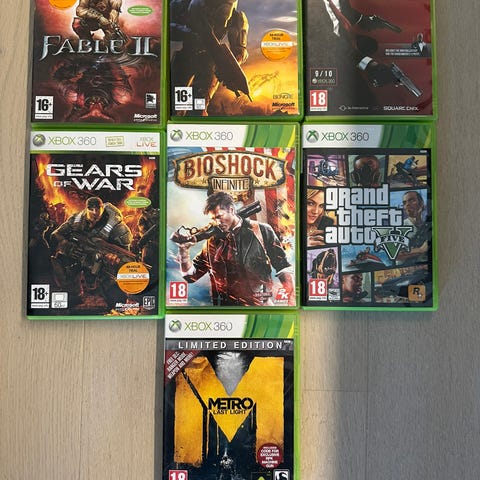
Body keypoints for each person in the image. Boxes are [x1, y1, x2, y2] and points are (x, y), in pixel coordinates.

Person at [176, 192, 294, 306]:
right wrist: (183, 253)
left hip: (259, 307)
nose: (217, 222)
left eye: (219, 216)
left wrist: (291, 297)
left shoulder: (261, 230)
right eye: (213, 219)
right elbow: (190, 276)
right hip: (225, 311)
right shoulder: (211, 242)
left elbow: (283, 267)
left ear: (232, 210)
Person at [306, 0, 401, 111]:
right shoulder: (311, 6)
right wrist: (369, 64)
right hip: (324, 57)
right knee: (366, 105)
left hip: (345, 43)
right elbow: (329, 42)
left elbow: (346, 12)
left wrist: (367, 20)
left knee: (371, 45)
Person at [169, 0, 249, 116]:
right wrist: (189, 33)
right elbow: (166, 27)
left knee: (199, 108)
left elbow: (241, 50)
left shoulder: (237, 17)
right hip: (186, 59)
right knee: (177, 107)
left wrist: (233, 64)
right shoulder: (183, 5)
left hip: (210, 63)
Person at [51, 197, 133, 308]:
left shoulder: (118, 228)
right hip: (79, 255)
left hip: (102, 264)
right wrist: (66, 245)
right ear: (86, 209)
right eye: (91, 209)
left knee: (117, 299)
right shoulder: (76, 220)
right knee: (61, 261)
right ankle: (73, 293)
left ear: (102, 207)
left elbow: (126, 255)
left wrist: (114, 259)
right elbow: (55, 234)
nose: (95, 212)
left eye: (98, 208)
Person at [396, 190, 429, 265]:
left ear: (421, 203)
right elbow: (395, 255)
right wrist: (421, 250)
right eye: (404, 203)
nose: (407, 204)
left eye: (411, 200)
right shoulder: (401, 227)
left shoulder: (426, 226)